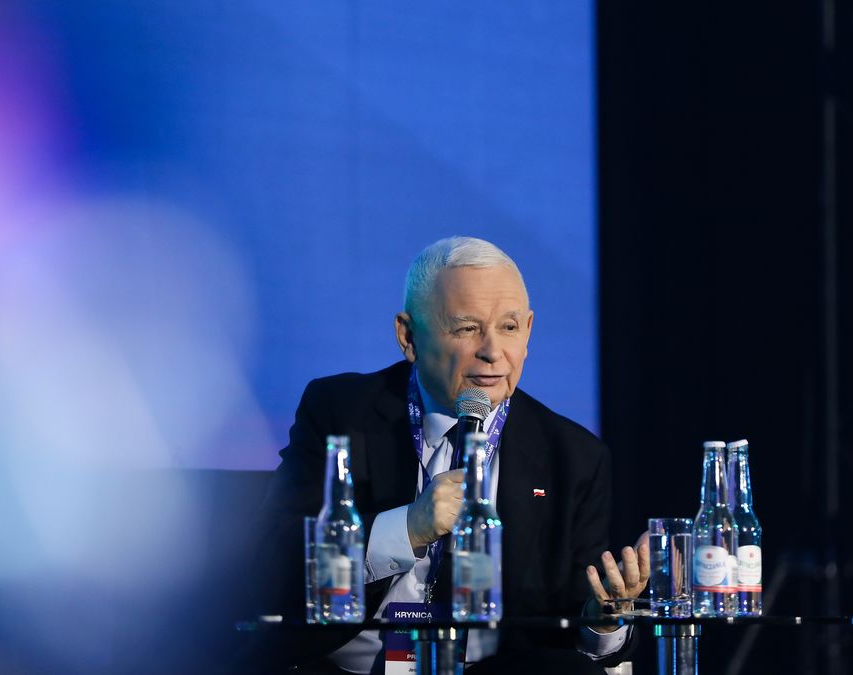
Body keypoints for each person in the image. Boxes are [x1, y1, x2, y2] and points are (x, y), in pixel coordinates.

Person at [252, 236, 649, 675]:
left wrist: (603, 619)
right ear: (408, 337)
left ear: (529, 331)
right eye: (467, 328)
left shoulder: (573, 455)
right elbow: (276, 563)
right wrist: (408, 527)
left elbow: (580, 627)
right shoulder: (341, 411)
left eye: (509, 327)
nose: (492, 352)